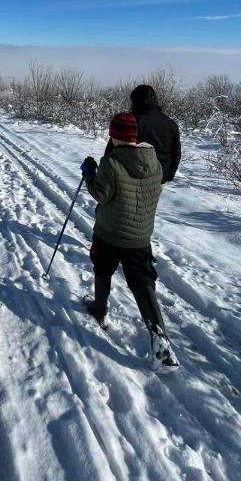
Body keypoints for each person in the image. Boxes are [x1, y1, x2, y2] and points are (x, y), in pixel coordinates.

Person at [81, 112, 179, 370]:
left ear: (114, 135)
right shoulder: (155, 163)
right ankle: (161, 339)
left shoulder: (110, 163)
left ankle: (99, 309)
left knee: (103, 269)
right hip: (140, 236)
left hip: (109, 234)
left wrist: (90, 174)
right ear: (135, 137)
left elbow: (100, 195)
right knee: (143, 282)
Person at [106, 84, 181, 183]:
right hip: (160, 176)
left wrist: (106, 172)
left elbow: (112, 149)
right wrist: (169, 175)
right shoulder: (170, 124)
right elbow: (176, 154)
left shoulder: (130, 123)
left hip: (130, 177)